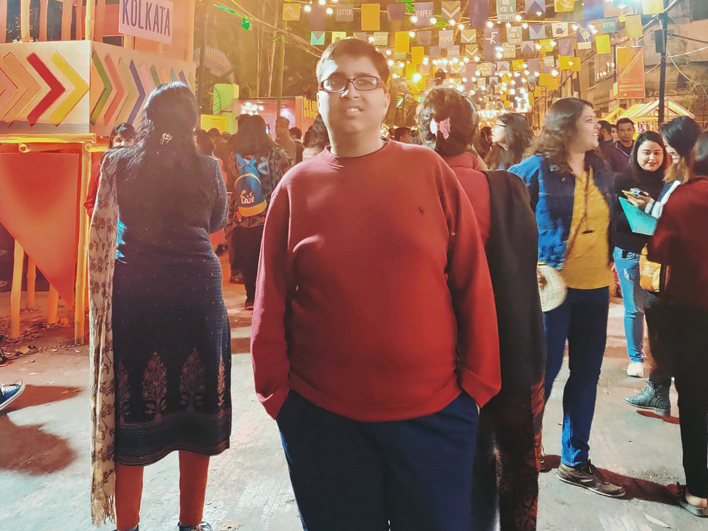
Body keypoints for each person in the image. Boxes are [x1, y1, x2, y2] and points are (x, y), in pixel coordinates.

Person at [251, 38, 501, 531]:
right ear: (319, 98)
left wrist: (475, 387)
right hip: (323, 420)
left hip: (435, 416)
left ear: (386, 97)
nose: (350, 93)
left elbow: (472, 279)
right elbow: (270, 296)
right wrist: (277, 396)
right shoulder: (296, 187)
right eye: (335, 82)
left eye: (365, 81)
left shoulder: (428, 170)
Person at [88, 83, 231, 531]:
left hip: (138, 296)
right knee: (198, 405)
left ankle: (126, 526)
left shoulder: (117, 162)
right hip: (197, 295)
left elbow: (103, 219)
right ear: (191, 123)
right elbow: (216, 221)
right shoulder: (209, 169)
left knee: (132, 408)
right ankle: (191, 524)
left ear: (147, 116)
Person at [420, 88, 546, 531]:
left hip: (443, 358)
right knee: (514, 468)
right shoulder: (508, 188)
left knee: (457, 466)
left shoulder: (417, 193)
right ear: (475, 134)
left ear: (424, 133)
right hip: (511, 348)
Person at [510, 97, 625, 498]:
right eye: (590, 121)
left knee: (587, 375)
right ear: (567, 128)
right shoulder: (533, 170)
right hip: (552, 292)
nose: (599, 127)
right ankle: (526, 451)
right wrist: (526, 267)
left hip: (595, 289)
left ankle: (575, 460)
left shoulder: (602, 169)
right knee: (543, 375)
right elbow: (505, 218)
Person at [644, 132, 708, 517]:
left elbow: (660, 249)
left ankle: (699, 492)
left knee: (697, 401)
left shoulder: (685, 197)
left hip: (693, 314)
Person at [624, 116, 703, 415]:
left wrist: (648, 210)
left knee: (666, 335)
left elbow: (664, 233)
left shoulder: (685, 186)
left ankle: (660, 392)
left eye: (667, 148)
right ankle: (658, 390)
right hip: (684, 282)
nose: (662, 154)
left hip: (678, 281)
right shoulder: (681, 181)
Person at [611, 131, 669, 378]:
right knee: (635, 308)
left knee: (661, 309)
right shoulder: (622, 180)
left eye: (657, 152)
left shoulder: (669, 182)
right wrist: (641, 215)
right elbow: (613, 219)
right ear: (636, 153)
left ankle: (662, 360)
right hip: (631, 252)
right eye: (646, 152)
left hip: (662, 256)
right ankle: (636, 357)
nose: (652, 158)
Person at [227, 114, 290, 310]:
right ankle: (269, 295)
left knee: (248, 255)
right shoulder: (277, 152)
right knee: (271, 255)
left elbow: (233, 182)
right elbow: (287, 177)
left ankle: (251, 297)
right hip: (270, 213)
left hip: (243, 215)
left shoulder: (234, 155)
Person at [84, 123, 136, 219]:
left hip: (133, 225)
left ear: (135, 142)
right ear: (112, 142)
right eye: (119, 140)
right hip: (105, 226)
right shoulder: (97, 168)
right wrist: (100, 217)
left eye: (128, 140)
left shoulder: (141, 167)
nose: (123, 144)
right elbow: (90, 203)